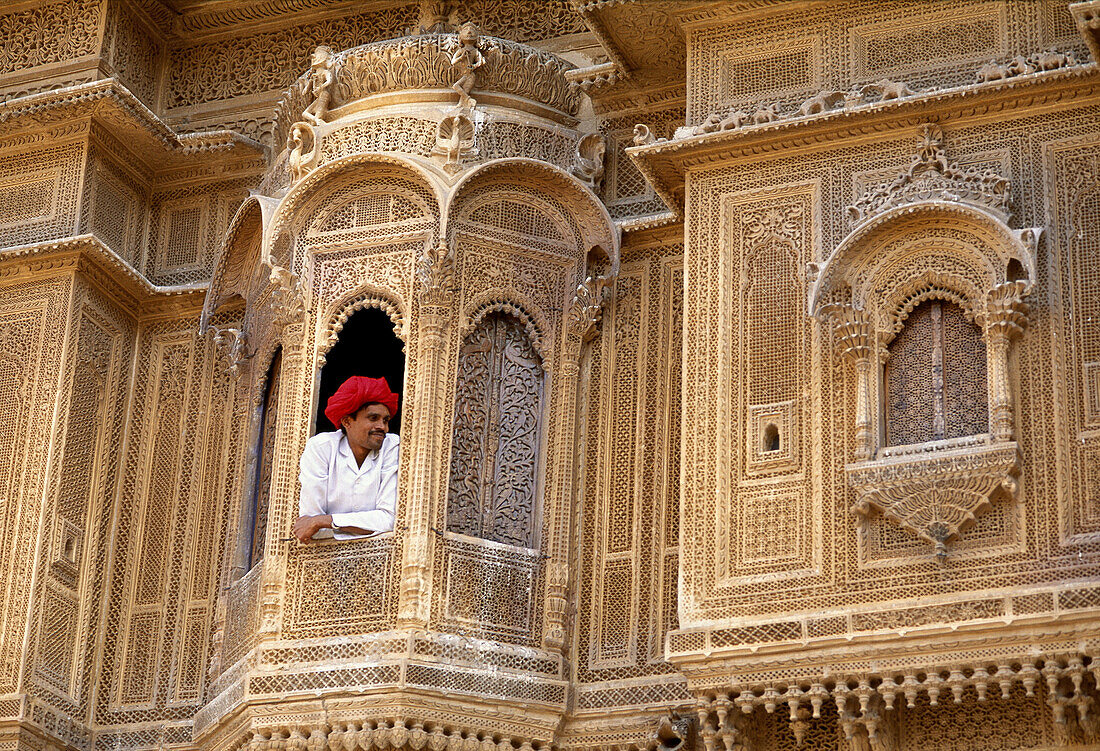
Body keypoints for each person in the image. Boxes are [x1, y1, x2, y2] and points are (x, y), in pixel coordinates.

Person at [293, 376, 400, 542]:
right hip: (325, 559)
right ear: (347, 421)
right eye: (373, 418)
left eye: (385, 420)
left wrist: (326, 521)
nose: (382, 427)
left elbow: (389, 520)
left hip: (382, 554)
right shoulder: (322, 448)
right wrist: (320, 523)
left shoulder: (392, 446)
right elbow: (310, 527)